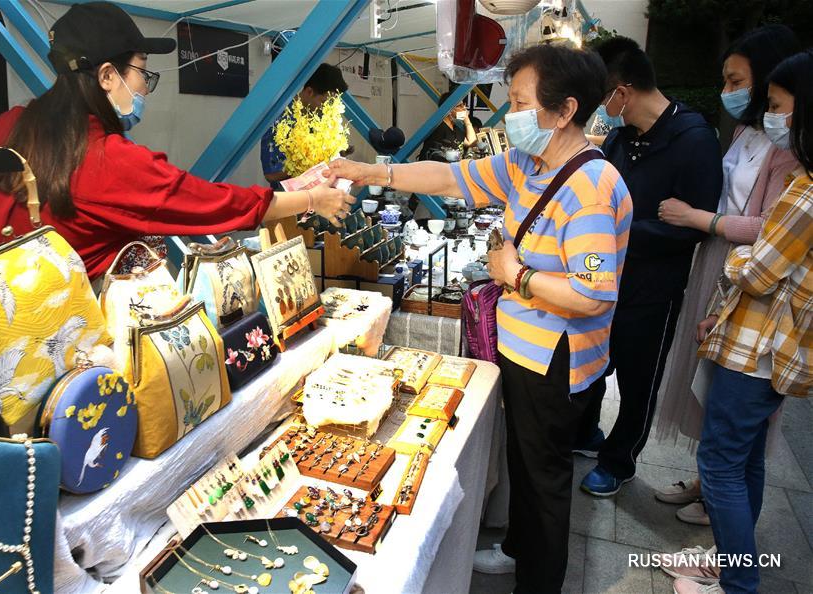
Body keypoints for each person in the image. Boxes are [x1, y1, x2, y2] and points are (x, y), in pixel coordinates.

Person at [327, 44, 632, 593]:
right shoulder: (528, 161)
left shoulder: (591, 187)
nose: (510, 114)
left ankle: (538, 583)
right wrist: (366, 170)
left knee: (544, 480)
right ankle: (518, 548)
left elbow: (592, 294)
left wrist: (513, 275)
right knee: (522, 458)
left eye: (520, 102)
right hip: (523, 345)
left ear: (564, 110)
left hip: (554, 356)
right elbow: (449, 180)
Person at [0, 2, 354, 380]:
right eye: (142, 72)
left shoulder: (7, 125)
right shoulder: (105, 160)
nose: (144, 86)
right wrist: (314, 198)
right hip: (30, 367)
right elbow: (213, 203)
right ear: (107, 76)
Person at [666, 49, 813, 594]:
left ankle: (737, 584)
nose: (771, 116)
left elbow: (756, 269)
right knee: (745, 461)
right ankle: (733, 570)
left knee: (722, 464)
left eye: (778, 106)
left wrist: (731, 259)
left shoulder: (805, 191)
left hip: (755, 349)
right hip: (762, 344)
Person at [572, 37, 723, 497]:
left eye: (602, 94)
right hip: (605, 281)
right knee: (594, 364)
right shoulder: (622, 137)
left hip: (653, 287)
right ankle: (585, 434)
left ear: (622, 89)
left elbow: (694, 226)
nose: (601, 105)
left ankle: (620, 461)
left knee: (639, 379)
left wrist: (617, 232)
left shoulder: (694, 140)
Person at [260, 63, 348, 188]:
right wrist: (310, 165)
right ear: (309, 91)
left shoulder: (321, 118)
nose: (325, 109)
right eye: (323, 102)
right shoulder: (280, 120)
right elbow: (270, 174)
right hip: (288, 200)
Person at [416, 91, 480, 162]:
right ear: (449, 110)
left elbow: (472, 142)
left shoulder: (456, 128)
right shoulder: (438, 129)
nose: (464, 108)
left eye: (464, 105)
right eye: (460, 106)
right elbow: (434, 156)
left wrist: (467, 120)